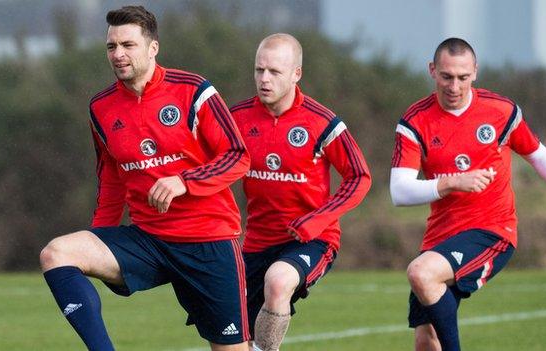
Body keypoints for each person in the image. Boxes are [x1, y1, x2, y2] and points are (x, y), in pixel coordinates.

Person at [39, 6, 251, 351]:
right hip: (148, 241)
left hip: (208, 242)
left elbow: (238, 156)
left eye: (128, 45)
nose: (118, 54)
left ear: (153, 47)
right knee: (57, 253)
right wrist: (99, 236)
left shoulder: (193, 90)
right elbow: (111, 179)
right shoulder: (101, 108)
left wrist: (184, 181)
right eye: (111, 47)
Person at [389, 37, 546, 351]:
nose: (454, 86)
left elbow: (537, 153)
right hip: (440, 237)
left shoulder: (501, 111)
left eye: (462, 77)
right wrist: (453, 183)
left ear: (475, 71)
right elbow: (400, 191)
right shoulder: (415, 121)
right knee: (425, 338)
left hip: (492, 230)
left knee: (421, 273)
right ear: (432, 71)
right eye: (446, 76)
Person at [230, 33, 371, 351]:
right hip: (254, 244)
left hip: (312, 240)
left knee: (279, 282)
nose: (264, 79)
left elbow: (359, 177)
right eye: (259, 70)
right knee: (232, 335)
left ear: (296, 74)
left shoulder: (322, 122)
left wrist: (319, 219)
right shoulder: (235, 118)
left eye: (275, 72)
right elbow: (210, 167)